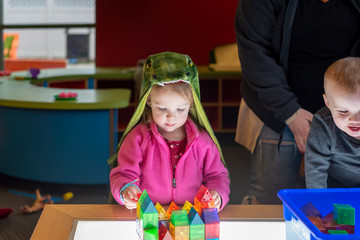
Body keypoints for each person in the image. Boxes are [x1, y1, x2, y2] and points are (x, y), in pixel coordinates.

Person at [235, 0, 360, 204]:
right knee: (272, 198)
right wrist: (290, 113)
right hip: (276, 106)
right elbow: (254, 53)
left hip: (350, 107)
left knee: (342, 198)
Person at [109, 52, 230, 210]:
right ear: (149, 101)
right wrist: (126, 190)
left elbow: (217, 176)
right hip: (150, 217)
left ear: (192, 104)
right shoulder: (137, 138)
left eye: (180, 109)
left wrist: (217, 193)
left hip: (191, 218)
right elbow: (123, 174)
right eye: (162, 108)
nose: (171, 117)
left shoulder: (202, 140)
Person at [305, 57, 360, 188]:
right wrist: (318, 201)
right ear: (328, 103)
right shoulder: (323, 123)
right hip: (334, 186)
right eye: (343, 111)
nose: (355, 120)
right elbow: (315, 167)